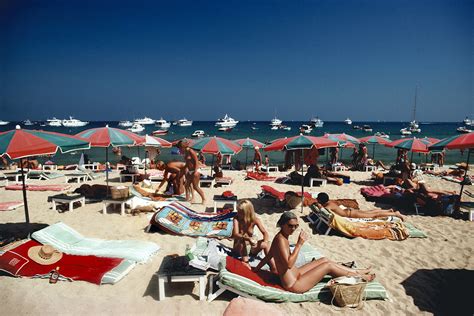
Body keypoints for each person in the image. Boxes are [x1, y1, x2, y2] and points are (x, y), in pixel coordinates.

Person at [253, 212, 375, 293]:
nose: (293, 229)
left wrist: (257, 269)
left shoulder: (280, 236)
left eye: (296, 226)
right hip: (294, 284)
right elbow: (289, 264)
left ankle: (357, 271)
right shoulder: (280, 240)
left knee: (324, 260)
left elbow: (269, 255)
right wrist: (299, 244)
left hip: (297, 274)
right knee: (328, 266)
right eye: (290, 226)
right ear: (282, 224)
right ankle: (358, 277)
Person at [232, 200, 275, 271]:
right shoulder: (236, 219)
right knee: (242, 240)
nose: (238, 213)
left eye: (240, 212)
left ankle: (273, 266)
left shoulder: (255, 220)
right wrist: (247, 238)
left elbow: (265, 233)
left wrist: (265, 240)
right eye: (238, 211)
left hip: (251, 248)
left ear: (247, 212)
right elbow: (236, 234)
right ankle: (246, 263)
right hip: (239, 248)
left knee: (267, 244)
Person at [315, 192, 406, 221]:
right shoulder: (330, 202)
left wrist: (318, 205)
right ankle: (389, 211)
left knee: (373, 215)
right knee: (371, 212)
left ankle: (395, 214)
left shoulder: (328, 206)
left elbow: (323, 210)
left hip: (351, 214)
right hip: (350, 211)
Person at [177, 139, 206, 204]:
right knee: (186, 185)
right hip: (190, 170)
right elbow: (187, 162)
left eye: (180, 147)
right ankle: (188, 198)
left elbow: (196, 161)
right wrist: (183, 169)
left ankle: (203, 199)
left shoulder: (191, 151)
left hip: (195, 170)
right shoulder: (186, 152)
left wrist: (195, 171)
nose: (180, 149)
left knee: (195, 186)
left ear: (183, 146)